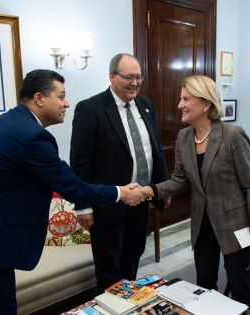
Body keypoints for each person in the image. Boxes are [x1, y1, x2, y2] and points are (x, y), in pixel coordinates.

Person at [0, 69, 147, 315]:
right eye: (61, 96)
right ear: (39, 99)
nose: (66, 103)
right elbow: (74, 188)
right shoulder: (32, 137)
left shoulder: (7, 122)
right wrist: (121, 193)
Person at [143, 75, 250, 312]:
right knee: (205, 285)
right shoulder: (184, 137)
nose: (180, 105)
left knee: (241, 287)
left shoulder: (232, 135)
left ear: (206, 103)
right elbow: (179, 180)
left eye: (186, 99)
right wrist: (151, 190)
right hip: (202, 225)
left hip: (236, 224)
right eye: (181, 99)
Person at [70, 53, 168, 293]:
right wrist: (83, 206)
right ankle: (111, 306)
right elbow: (80, 162)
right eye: (129, 77)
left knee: (133, 255)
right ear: (112, 77)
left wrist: (162, 188)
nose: (135, 83)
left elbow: (155, 149)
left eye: (139, 77)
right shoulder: (90, 109)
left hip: (141, 199)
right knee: (109, 265)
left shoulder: (146, 106)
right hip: (107, 205)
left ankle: (128, 302)